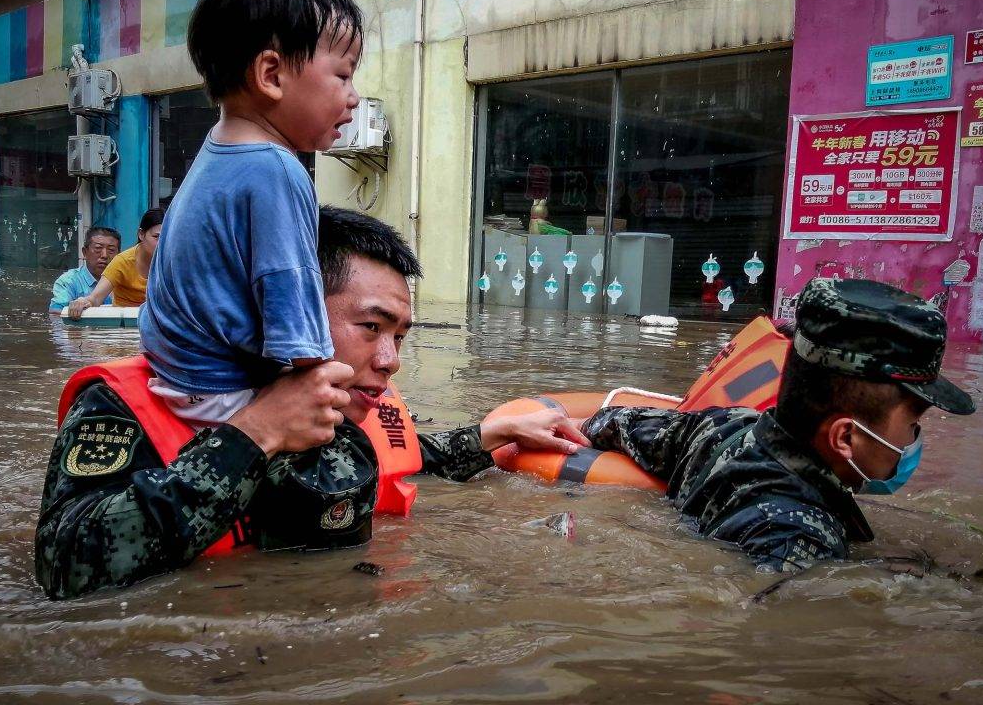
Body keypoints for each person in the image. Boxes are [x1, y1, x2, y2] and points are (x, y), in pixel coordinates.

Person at [35, 207, 587, 599]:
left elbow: (408, 456)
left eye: (400, 335)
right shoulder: (126, 405)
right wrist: (255, 434)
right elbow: (64, 565)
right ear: (285, 309)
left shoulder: (353, 400)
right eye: (371, 327)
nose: (391, 360)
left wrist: (497, 433)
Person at [580, 277, 976, 572]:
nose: (913, 440)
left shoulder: (723, 425)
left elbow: (616, 421)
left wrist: (573, 424)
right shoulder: (800, 541)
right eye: (912, 424)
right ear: (845, 437)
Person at [136, 0, 365, 430]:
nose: (353, 96)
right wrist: (335, 383)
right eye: (343, 75)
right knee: (351, 421)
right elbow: (294, 311)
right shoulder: (276, 169)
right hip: (224, 394)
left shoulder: (217, 151)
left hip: (178, 377)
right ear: (271, 75)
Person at [66, 209, 163, 316]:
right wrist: (82, 302)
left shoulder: (172, 263)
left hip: (158, 321)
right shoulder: (123, 262)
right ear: (141, 234)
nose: (162, 242)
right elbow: (96, 297)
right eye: (156, 237)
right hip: (124, 321)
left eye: (166, 236)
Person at [49, 227, 119, 313]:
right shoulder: (68, 281)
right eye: (98, 248)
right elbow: (55, 313)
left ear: (119, 255)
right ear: (85, 252)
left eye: (111, 250)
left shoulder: (125, 279)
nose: (104, 255)